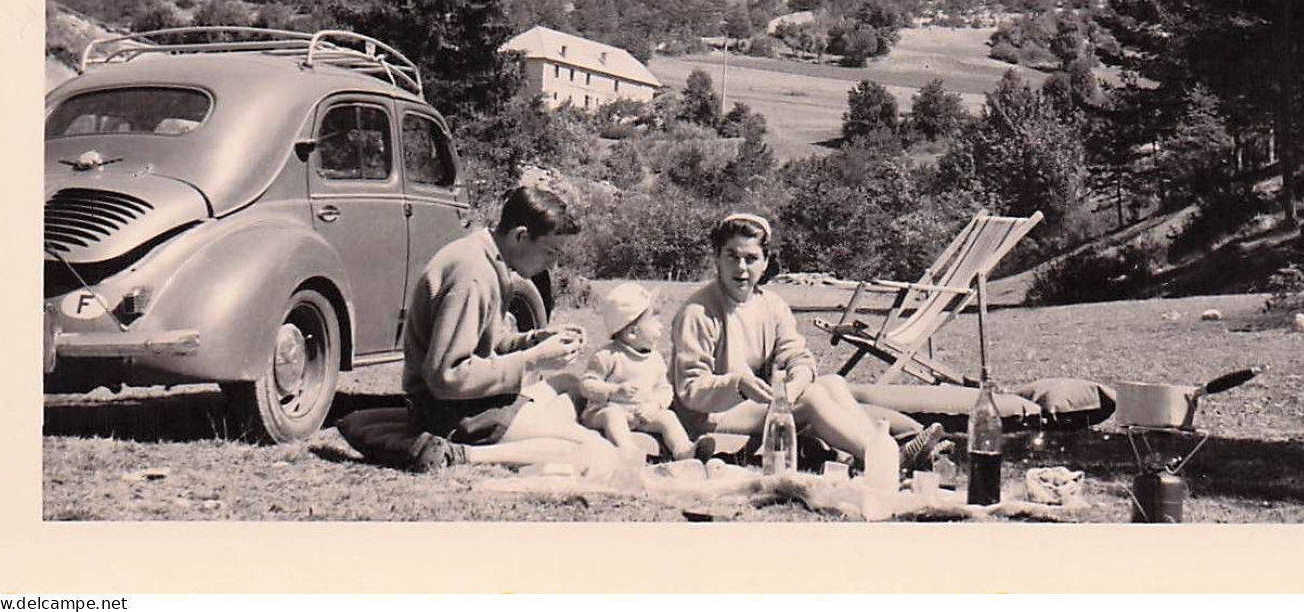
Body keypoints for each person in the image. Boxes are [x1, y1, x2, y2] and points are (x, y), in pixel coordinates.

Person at [671, 212, 944, 471]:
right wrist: (739, 385)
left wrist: (794, 386)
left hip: (754, 402)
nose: (741, 268)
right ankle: (884, 461)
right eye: (732, 256)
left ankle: (878, 452)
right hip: (711, 416)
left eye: (751, 258)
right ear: (717, 258)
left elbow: (798, 356)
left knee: (832, 383)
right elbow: (691, 390)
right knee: (813, 399)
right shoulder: (699, 311)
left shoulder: (771, 305)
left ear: (765, 262)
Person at [400, 185, 619, 474]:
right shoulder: (473, 274)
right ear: (520, 236)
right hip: (452, 412)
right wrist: (533, 360)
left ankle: (538, 430)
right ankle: (463, 453)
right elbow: (446, 377)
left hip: (473, 401)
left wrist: (533, 340)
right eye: (550, 251)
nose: (553, 265)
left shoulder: (489, 258)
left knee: (569, 383)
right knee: (595, 451)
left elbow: (486, 343)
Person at [577, 282, 696, 461]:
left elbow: (664, 389)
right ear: (633, 332)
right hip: (604, 412)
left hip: (640, 414)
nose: (661, 326)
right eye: (655, 319)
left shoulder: (654, 359)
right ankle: (628, 452)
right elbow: (586, 384)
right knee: (613, 415)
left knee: (668, 417)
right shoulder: (607, 356)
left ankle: (684, 451)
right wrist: (613, 391)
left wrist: (654, 405)